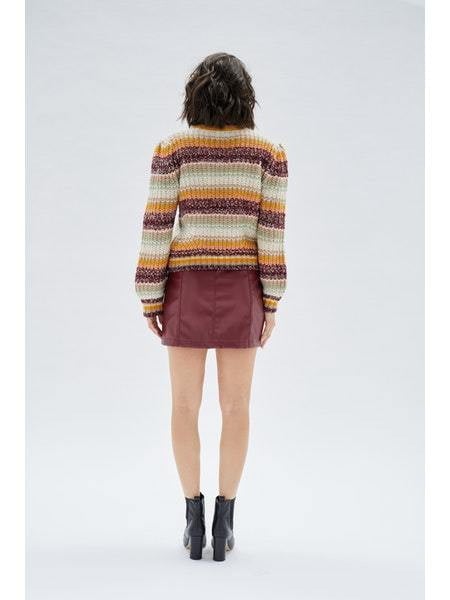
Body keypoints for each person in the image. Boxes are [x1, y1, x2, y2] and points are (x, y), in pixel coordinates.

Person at [134, 52, 288, 561]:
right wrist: (271, 299)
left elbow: (157, 225)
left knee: (183, 405)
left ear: (194, 95)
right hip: (243, 287)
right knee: (237, 407)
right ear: (246, 97)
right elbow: (271, 233)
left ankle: (193, 521)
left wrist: (149, 293)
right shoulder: (268, 154)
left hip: (187, 287)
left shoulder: (173, 149)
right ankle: (225, 523)